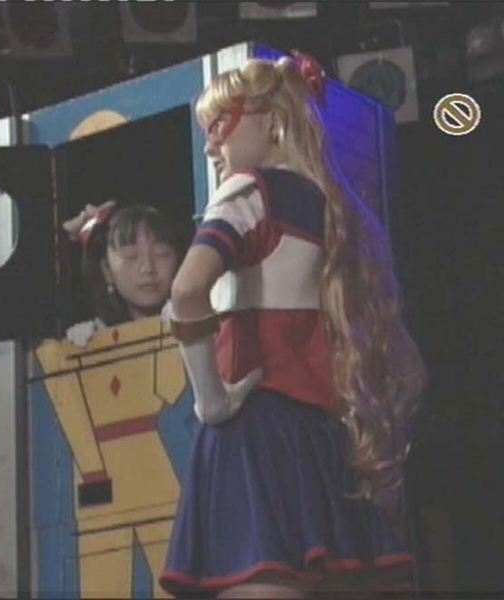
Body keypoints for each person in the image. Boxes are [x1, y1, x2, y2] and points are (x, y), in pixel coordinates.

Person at [158, 51, 428, 599]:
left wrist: (211, 399)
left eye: (219, 125)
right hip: (327, 442)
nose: (210, 146)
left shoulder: (248, 190)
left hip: (253, 435)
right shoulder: (339, 212)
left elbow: (185, 291)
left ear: (270, 120)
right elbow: (409, 367)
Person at [62, 200, 188, 345]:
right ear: (107, 269)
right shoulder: (98, 335)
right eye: (131, 256)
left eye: (161, 254)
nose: (147, 268)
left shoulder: (201, 322)